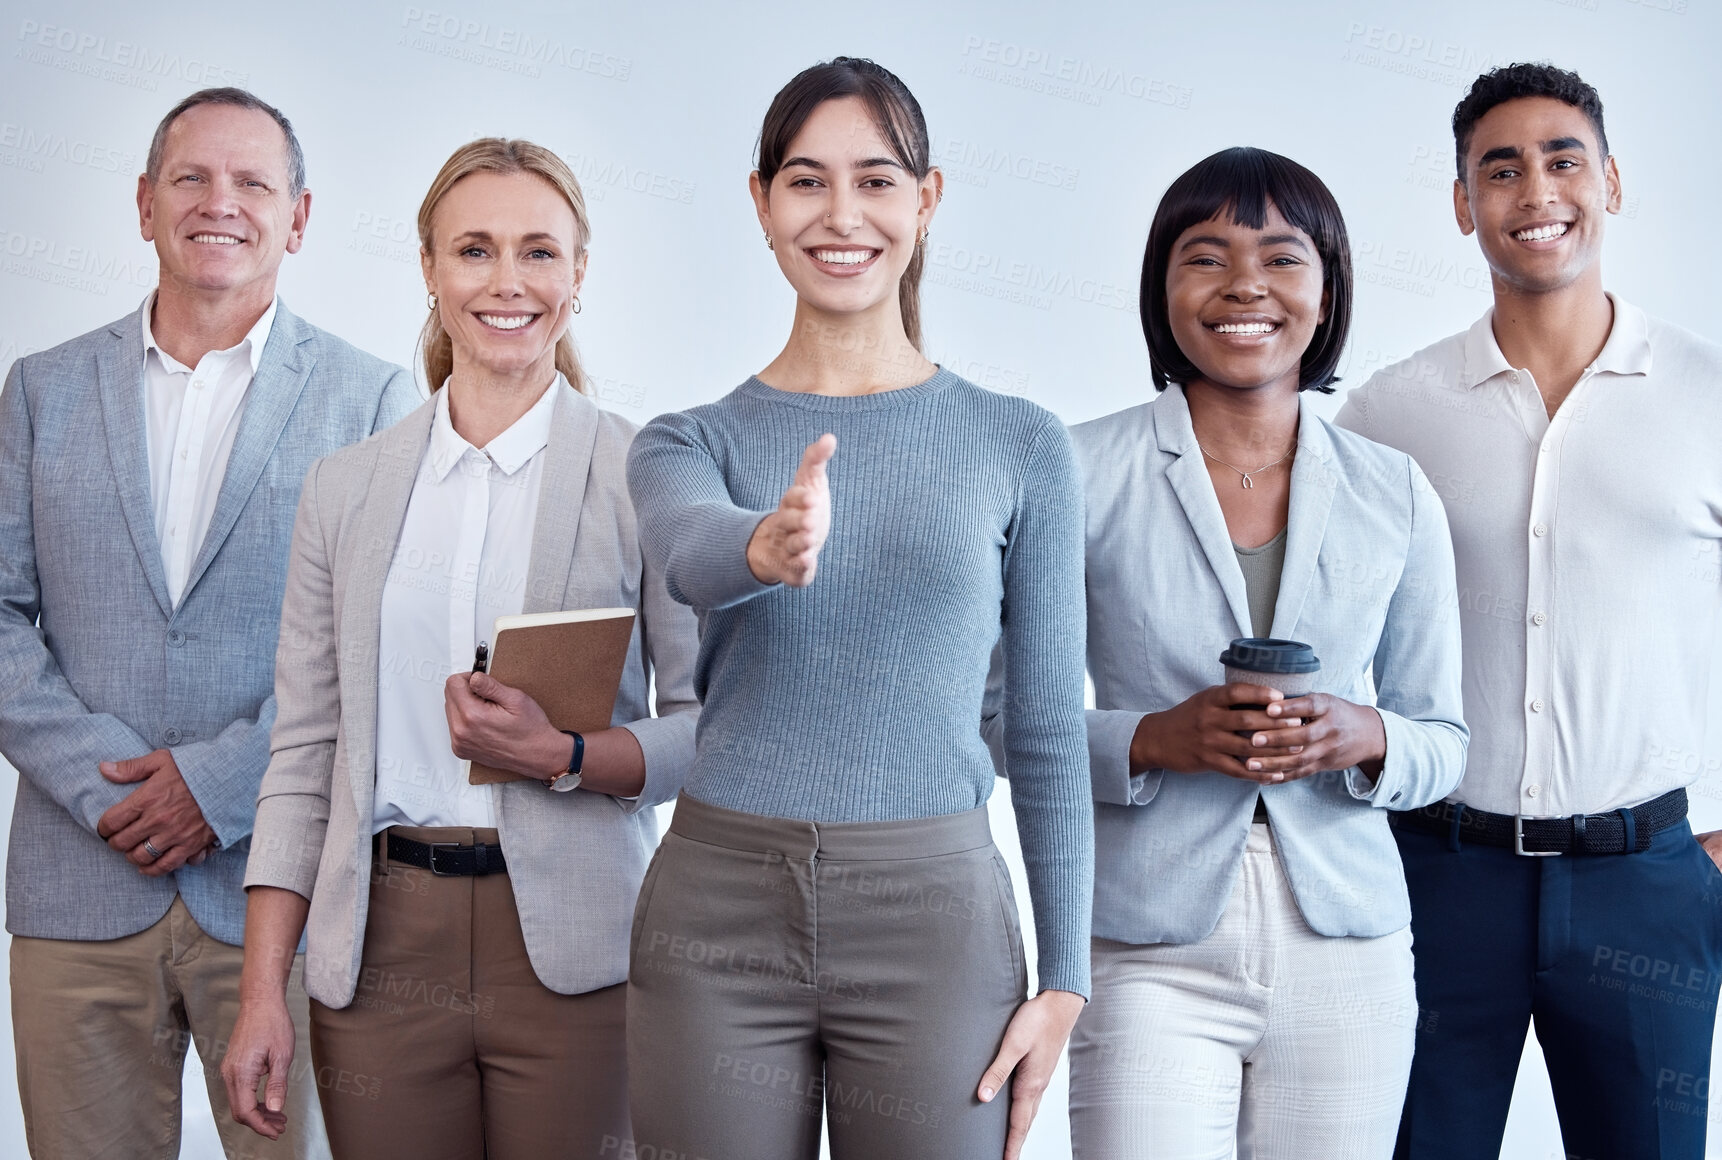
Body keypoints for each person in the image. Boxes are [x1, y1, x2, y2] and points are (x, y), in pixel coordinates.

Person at [624, 57, 1092, 1160]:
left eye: (877, 181)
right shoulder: (684, 439)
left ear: (927, 202)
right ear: (760, 202)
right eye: (806, 182)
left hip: (937, 918)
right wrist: (764, 542)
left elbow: (1046, 728)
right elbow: (690, 552)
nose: (843, 216)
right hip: (715, 913)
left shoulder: (1022, 442)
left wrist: (1066, 972)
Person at [221, 138, 700, 1158]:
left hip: (578, 950)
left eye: (539, 251)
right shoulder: (343, 489)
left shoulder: (644, 474)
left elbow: (709, 732)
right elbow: (303, 755)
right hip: (380, 953)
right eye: (474, 249)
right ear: (430, 271)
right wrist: (264, 986)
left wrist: (565, 755)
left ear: (578, 274)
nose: (507, 281)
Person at [994, 147, 1467, 1158]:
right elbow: (999, 718)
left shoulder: (1396, 489)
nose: (1245, 285)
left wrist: (1368, 732)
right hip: (1145, 938)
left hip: (1348, 943)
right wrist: (1154, 738)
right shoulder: (1076, 470)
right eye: (1205, 256)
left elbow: (1446, 739)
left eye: (1283, 258)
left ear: (1327, 288)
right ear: (1162, 288)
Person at [0, 87, 416, 1160]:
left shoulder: (369, 401)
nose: (217, 202)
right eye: (190, 177)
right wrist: (109, 785)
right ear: (144, 204)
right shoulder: (41, 389)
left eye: (251, 181)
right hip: (77, 887)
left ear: (300, 216)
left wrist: (222, 783)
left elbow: (378, 644)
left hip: (280, 895)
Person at [1335, 62, 1722, 1160]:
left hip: (1650, 877)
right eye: (1499, 169)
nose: (1535, 189)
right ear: (1464, 204)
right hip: (1439, 874)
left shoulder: (1707, 396)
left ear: (1611, 180)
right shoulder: (1392, 413)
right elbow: (1326, 617)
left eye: (1562, 159)